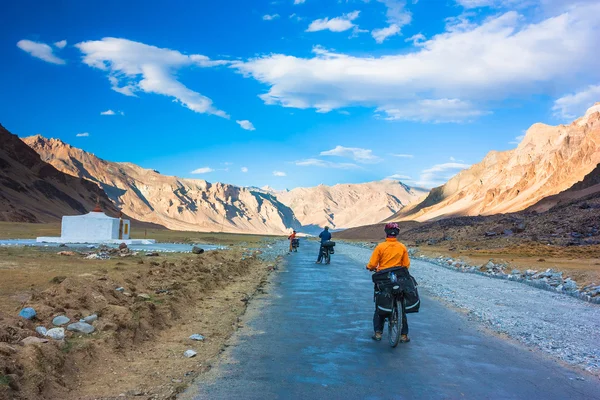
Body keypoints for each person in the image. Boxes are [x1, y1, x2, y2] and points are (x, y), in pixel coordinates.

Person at [366, 222, 411, 343]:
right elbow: (406, 265)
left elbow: (373, 264)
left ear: (386, 233)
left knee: (379, 304)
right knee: (401, 303)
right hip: (398, 278)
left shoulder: (380, 247)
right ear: (397, 233)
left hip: (383, 278)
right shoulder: (402, 247)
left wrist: (369, 267)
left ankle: (378, 333)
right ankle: (403, 335)